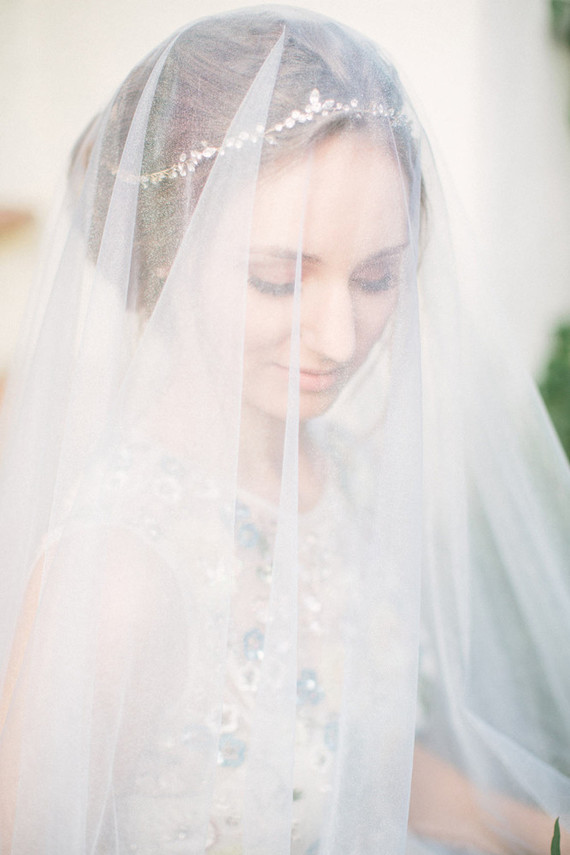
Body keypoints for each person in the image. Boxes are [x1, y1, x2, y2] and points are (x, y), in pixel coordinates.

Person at [0, 7, 568, 854]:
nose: (340, 338)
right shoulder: (118, 576)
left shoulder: (351, 473)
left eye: (378, 276)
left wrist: (549, 833)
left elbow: (356, 757)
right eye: (277, 280)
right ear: (165, 252)